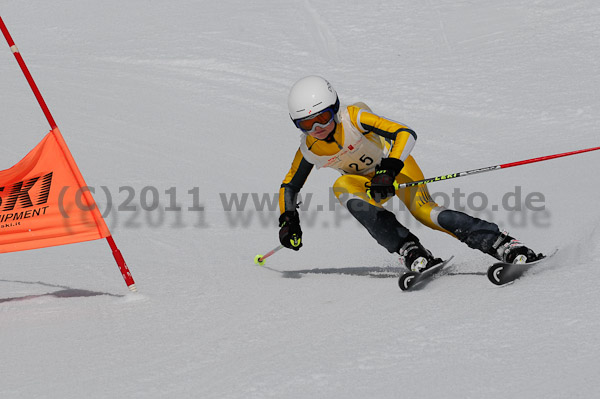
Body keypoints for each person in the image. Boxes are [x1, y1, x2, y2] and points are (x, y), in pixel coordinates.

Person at [277, 75, 542, 272]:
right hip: (368, 185)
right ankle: (409, 249)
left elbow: (405, 133)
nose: (318, 128)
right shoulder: (309, 149)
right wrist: (288, 218)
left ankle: (503, 244)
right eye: (307, 124)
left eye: (322, 118)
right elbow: (290, 186)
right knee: (342, 186)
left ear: (334, 108)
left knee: (425, 212)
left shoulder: (354, 118)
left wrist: (389, 170)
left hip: (396, 169)